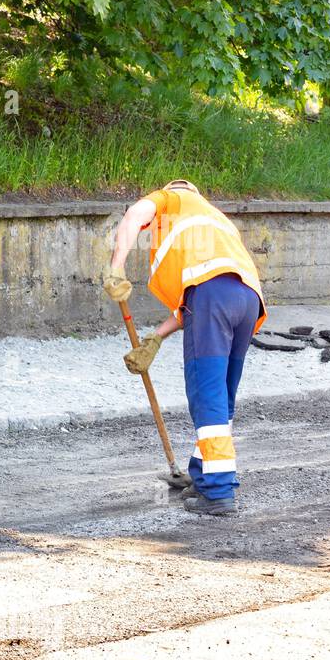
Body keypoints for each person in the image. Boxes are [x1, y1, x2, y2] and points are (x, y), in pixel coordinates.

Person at [104, 180, 266, 516]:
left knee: (207, 395)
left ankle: (219, 492)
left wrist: (116, 267)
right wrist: (157, 337)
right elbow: (200, 297)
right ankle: (204, 473)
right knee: (222, 395)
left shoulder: (171, 201)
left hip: (211, 299)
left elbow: (134, 215)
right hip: (247, 301)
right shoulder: (215, 220)